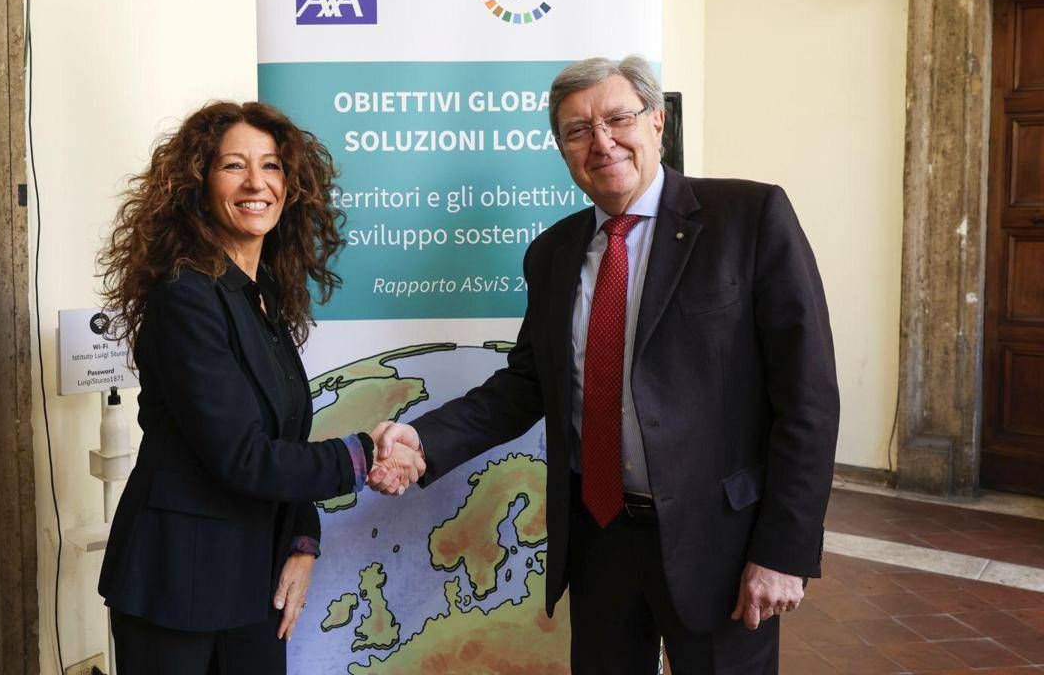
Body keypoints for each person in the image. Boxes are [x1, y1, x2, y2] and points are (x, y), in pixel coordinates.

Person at [370, 56, 840, 673]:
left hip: (719, 542)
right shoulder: (553, 253)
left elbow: (808, 398)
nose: (602, 142)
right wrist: (424, 439)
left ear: (657, 122)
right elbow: (527, 385)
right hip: (600, 538)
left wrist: (784, 550)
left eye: (618, 119)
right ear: (561, 148)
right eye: (577, 130)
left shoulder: (748, 218)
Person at [96, 100, 424, 674]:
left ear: (290, 185)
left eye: (271, 165)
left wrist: (301, 540)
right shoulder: (185, 297)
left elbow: (283, 438)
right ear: (198, 184)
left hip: (254, 577)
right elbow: (243, 456)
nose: (256, 183)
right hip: (176, 586)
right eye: (234, 165)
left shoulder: (262, 292)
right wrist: (366, 454)